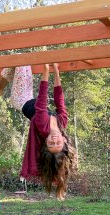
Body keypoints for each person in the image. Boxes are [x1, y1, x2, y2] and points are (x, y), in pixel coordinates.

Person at [20, 64, 77, 200]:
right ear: (64, 140)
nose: (54, 139)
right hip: (30, 96)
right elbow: (60, 99)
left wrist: (45, 69)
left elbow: (42, 99)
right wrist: (56, 71)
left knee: (21, 63)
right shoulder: (61, 123)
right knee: (14, 69)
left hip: (21, 98)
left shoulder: (43, 126)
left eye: (51, 143)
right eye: (57, 143)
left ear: (46, 141)